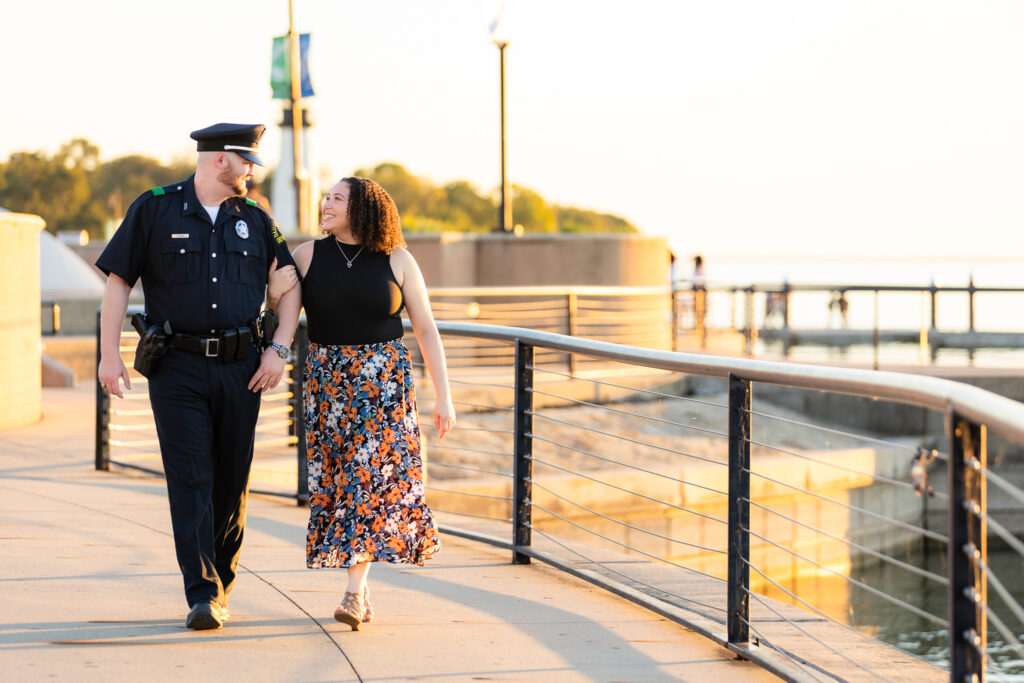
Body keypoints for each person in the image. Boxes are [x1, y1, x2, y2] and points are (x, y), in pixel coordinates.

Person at [95, 123, 302, 631]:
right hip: (178, 367)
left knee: (231, 481)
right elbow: (118, 283)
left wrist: (279, 350)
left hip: (242, 367)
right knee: (191, 478)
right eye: (246, 161)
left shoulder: (256, 219)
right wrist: (108, 355)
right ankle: (203, 592)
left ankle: (221, 585)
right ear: (218, 161)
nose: (252, 170)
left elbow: (291, 288)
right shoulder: (155, 207)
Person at [267, 176, 453, 631]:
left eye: (337, 198)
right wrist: (274, 297)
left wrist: (444, 396)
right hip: (329, 388)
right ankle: (361, 587)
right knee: (343, 482)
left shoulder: (398, 260)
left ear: (363, 209)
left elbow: (426, 329)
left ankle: (352, 592)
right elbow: (280, 311)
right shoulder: (308, 254)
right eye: (326, 197)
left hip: (385, 389)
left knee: (366, 483)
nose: (326, 203)